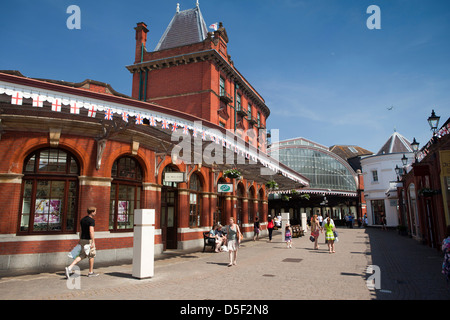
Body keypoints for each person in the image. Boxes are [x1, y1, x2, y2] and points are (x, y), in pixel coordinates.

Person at [65, 207, 98, 278]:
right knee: (91, 255)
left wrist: (80, 239)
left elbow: (81, 230)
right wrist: (93, 241)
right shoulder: (91, 221)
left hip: (82, 239)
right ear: (92, 212)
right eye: (95, 211)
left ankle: (70, 267)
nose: (95, 213)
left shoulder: (82, 220)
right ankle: (90, 272)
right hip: (88, 240)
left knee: (82, 255)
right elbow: (91, 231)